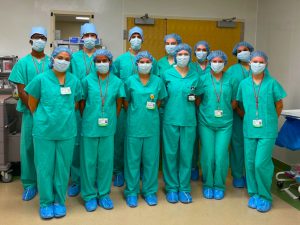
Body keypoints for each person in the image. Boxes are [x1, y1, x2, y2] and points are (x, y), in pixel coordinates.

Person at [25, 46, 82, 219]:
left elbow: (76, 103)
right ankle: (46, 203)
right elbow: (32, 104)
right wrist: (45, 118)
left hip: (66, 131)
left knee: (63, 168)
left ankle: (59, 201)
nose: (63, 61)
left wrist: (62, 117)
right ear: (53, 59)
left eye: (67, 58)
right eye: (60, 57)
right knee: (44, 168)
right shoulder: (41, 79)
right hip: (44, 132)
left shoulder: (74, 81)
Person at [237, 51, 286, 213]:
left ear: (266, 64)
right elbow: (242, 105)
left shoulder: (272, 83)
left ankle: (265, 196)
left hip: (267, 130)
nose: (257, 64)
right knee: (250, 163)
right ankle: (254, 193)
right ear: (249, 63)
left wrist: (271, 120)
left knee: (261, 163)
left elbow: (279, 104)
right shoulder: (243, 84)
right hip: (250, 129)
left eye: (261, 62)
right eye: (255, 61)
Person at [80, 49, 125, 212]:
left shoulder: (117, 82)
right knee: (89, 162)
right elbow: (81, 103)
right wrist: (89, 118)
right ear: (94, 64)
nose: (101, 63)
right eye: (98, 61)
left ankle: (104, 194)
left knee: (106, 162)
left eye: (104, 60)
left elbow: (119, 103)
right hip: (90, 127)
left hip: (108, 128)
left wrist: (111, 117)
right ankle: (90, 195)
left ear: (110, 62)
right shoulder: (86, 81)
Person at [112, 26, 158, 187]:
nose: (136, 39)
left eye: (139, 36)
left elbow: (156, 85)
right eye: (133, 36)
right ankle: (118, 170)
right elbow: (115, 83)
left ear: (142, 39)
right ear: (129, 39)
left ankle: (142, 171)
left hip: (143, 109)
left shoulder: (152, 61)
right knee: (120, 139)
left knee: (144, 144)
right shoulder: (120, 60)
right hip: (124, 106)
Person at [8, 26, 50, 201]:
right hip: (30, 113)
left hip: (49, 114)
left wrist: (45, 110)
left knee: (47, 149)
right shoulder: (23, 63)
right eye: (36, 37)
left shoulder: (52, 62)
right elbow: (22, 89)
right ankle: (30, 184)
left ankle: (46, 184)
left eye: (43, 37)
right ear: (30, 40)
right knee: (29, 147)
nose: (40, 40)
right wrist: (35, 109)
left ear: (46, 41)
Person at [123, 51, 167, 208]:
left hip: (151, 127)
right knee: (132, 161)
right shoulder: (129, 81)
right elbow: (126, 101)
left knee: (151, 161)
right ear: (136, 64)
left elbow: (160, 101)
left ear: (152, 64)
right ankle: (131, 192)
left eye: (148, 61)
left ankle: (149, 191)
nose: (145, 64)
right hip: (134, 127)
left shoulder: (158, 81)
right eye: (141, 61)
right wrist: (137, 112)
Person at [162, 43, 200, 204]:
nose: (182, 56)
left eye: (186, 54)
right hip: (170, 119)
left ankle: (184, 188)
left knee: (186, 155)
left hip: (189, 121)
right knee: (170, 154)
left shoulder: (195, 75)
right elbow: (161, 98)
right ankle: (171, 187)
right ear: (175, 56)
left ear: (190, 56)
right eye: (180, 54)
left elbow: (198, 98)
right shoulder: (167, 74)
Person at [198, 50, 238, 200]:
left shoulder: (232, 80)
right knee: (208, 155)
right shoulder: (202, 79)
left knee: (221, 155)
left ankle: (219, 185)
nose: (217, 64)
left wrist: (225, 111)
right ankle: (208, 184)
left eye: (220, 61)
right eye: (214, 61)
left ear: (225, 63)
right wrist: (207, 111)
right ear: (209, 63)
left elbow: (235, 101)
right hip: (206, 122)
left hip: (225, 124)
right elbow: (198, 99)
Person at [68, 22, 98, 197]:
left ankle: (93, 179)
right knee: (77, 144)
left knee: (94, 146)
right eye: (86, 35)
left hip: (95, 108)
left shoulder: (102, 57)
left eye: (92, 35)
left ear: (97, 38)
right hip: (78, 107)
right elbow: (69, 80)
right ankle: (77, 180)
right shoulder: (74, 58)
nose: (89, 38)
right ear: (81, 38)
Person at [227, 41, 254, 188]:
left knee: (253, 146)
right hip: (238, 114)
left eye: (245, 49)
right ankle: (237, 175)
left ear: (251, 51)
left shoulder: (260, 68)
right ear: (236, 55)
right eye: (239, 51)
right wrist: (239, 111)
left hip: (256, 115)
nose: (242, 52)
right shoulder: (232, 70)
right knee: (237, 144)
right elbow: (230, 94)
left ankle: (251, 176)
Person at [190, 40, 211, 181]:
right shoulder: (190, 67)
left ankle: (207, 170)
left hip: (208, 110)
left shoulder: (215, 67)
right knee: (191, 141)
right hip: (191, 109)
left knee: (207, 142)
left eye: (204, 49)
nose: (201, 52)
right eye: (198, 49)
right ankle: (193, 167)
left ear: (208, 51)